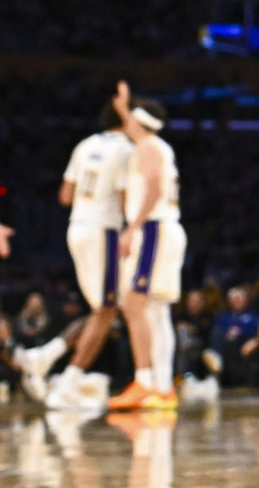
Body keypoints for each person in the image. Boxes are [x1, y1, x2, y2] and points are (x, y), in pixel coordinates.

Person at [25, 98, 134, 409]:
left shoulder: (85, 145)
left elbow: (65, 195)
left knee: (103, 309)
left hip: (78, 227)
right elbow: (126, 202)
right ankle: (66, 382)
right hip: (105, 229)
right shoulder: (126, 149)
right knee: (107, 309)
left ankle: (45, 357)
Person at [108, 86, 186, 412]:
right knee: (155, 311)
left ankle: (144, 380)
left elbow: (153, 187)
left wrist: (133, 227)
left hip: (153, 229)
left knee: (134, 303)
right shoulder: (156, 144)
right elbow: (134, 127)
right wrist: (126, 108)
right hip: (165, 229)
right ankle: (162, 387)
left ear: (139, 124)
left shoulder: (148, 148)